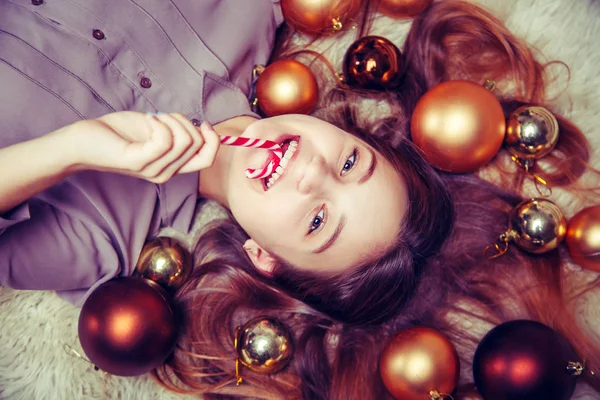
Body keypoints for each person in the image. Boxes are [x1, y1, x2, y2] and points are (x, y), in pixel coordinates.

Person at [0, 1, 598, 400]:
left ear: (264, 256)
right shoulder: (248, 13)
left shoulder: (97, 238)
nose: (311, 172)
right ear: (349, 129)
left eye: (317, 220)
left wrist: (68, 150)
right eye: (348, 162)